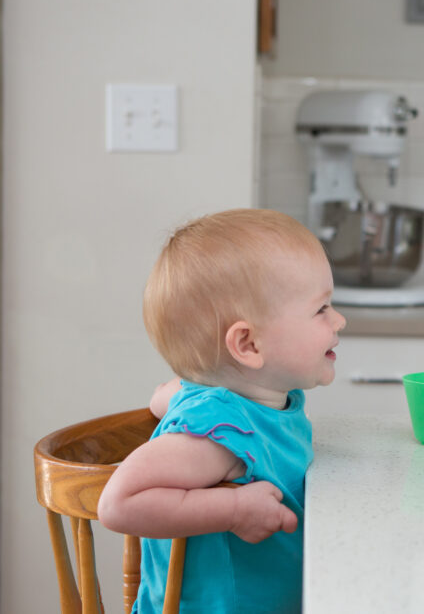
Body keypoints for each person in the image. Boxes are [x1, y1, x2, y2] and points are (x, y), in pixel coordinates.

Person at [98, 209, 347, 613]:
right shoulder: (218, 437)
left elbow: (164, 397)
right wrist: (234, 510)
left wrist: (170, 398)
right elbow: (118, 503)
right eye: (321, 309)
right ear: (248, 345)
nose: (339, 320)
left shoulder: (247, 402)